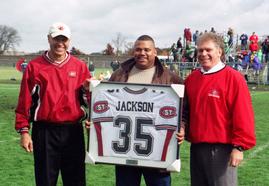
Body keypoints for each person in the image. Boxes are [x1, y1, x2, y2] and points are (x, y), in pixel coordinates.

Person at [15, 22, 91, 186]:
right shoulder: (35, 66)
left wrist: (93, 115)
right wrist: (24, 131)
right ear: (49, 39)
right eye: (56, 38)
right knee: (45, 181)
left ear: (69, 41)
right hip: (45, 131)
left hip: (73, 132)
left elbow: (89, 99)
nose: (60, 43)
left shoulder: (80, 67)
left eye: (64, 39)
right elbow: (24, 101)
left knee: (76, 180)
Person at [178, 32, 256, 186]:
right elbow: (184, 111)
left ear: (220, 51)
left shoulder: (234, 78)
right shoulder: (192, 79)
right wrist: (182, 126)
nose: (203, 54)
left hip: (223, 149)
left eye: (208, 50)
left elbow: (243, 114)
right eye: (200, 50)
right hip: (197, 148)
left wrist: (239, 147)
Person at [109, 35, 184, 186]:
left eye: (146, 49)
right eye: (138, 49)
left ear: (155, 52)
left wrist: (182, 126)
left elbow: (185, 110)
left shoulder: (171, 78)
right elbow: (107, 105)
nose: (142, 53)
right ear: (133, 52)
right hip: (125, 153)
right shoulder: (119, 74)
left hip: (157, 151)